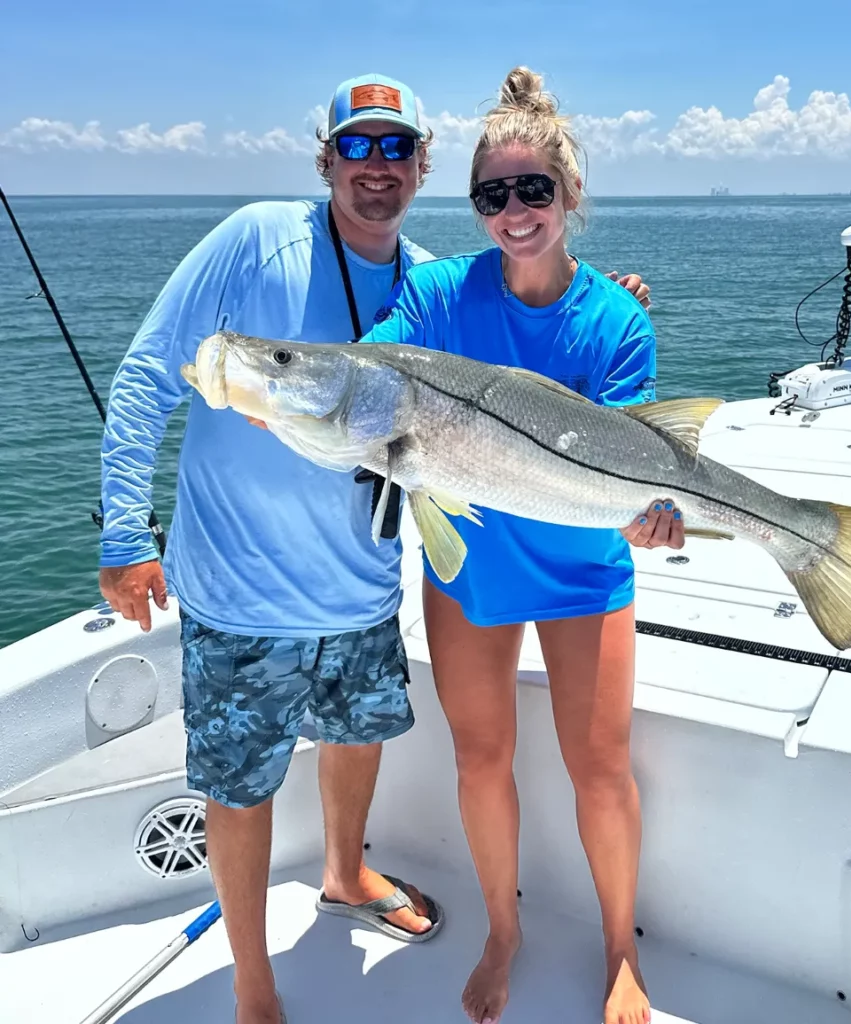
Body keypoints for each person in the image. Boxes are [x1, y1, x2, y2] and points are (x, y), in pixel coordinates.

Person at [98, 72, 662, 1024]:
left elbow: (538, 377)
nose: (374, 166)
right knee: (248, 786)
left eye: (394, 148)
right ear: (325, 158)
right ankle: (258, 989)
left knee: (361, 742)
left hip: (366, 589)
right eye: (355, 147)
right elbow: (173, 370)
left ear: (421, 164)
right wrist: (124, 528)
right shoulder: (290, 248)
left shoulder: (455, 280)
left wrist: (610, 300)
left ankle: (355, 876)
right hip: (259, 590)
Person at [361, 66, 680, 1024]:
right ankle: (505, 931)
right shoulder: (435, 296)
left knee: (601, 770)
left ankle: (621, 950)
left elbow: (622, 462)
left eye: (533, 190)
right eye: (493, 195)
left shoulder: (618, 321)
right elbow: (373, 373)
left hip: (585, 567)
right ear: (476, 206)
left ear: (569, 196)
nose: (514, 211)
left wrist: (651, 510)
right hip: (471, 565)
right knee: (479, 759)